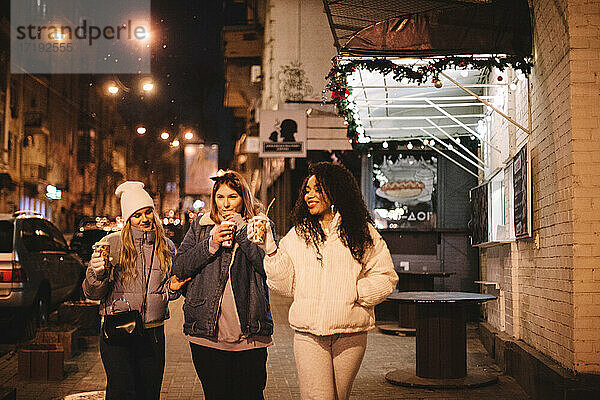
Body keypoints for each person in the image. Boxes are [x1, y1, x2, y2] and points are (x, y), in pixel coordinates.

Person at [257, 162, 398, 400]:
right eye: (307, 190)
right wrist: (270, 250)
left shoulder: (362, 232)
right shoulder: (299, 234)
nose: (309, 195)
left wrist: (356, 291)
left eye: (316, 189)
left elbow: (385, 276)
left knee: (339, 397)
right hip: (308, 334)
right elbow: (283, 285)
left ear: (335, 190)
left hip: (350, 333)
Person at [172, 170, 274, 400]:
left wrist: (242, 232)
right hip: (206, 332)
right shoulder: (201, 225)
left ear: (243, 198)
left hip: (250, 332)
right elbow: (179, 267)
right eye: (220, 197)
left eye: (232, 197)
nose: (226, 204)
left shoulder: (259, 225)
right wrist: (211, 242)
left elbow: (267, 267)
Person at [83, 181, 187, 400]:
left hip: (153, 332)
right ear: (128, 218)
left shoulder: (166, 246)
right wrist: (97, 273)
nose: (144, 219)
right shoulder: (111, 243)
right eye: (137, 215)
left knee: (149, 393)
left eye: (147, 212)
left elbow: (165, 288)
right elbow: (92, 293)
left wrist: (172, 289)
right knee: (121, 392)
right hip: (118, 329)